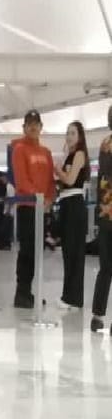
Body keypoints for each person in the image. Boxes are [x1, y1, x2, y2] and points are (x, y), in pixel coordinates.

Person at [11, 109, 56, 309]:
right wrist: (38, 197)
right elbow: (22, 180)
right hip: (27, 207)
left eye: (36, 124)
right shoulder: (19, 149)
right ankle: (21, 293)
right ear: (24, 127)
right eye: (29, 124)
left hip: (42, 208)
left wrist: (49, 199)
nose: (33, 127)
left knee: (37, 251)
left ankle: (29, 291)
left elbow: (50, 181)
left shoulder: (46, 152)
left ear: (41, 127)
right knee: (27, 251)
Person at [56, 121, 90, 310]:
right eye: (67, 133)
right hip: (66, 204)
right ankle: (68, 296)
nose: (69, 136)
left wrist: (57, 170)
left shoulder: (79, 154)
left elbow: (69, 179)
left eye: (73, 133)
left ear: (80, 136)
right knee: (68, 252)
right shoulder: (69, 155)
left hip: (74, 204)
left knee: (74, 253)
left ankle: (73, 298)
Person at [90, 106, 112, 333]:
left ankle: (97, 316)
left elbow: (102, 182)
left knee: (105, 267)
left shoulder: (105, 144)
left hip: (105, 213)